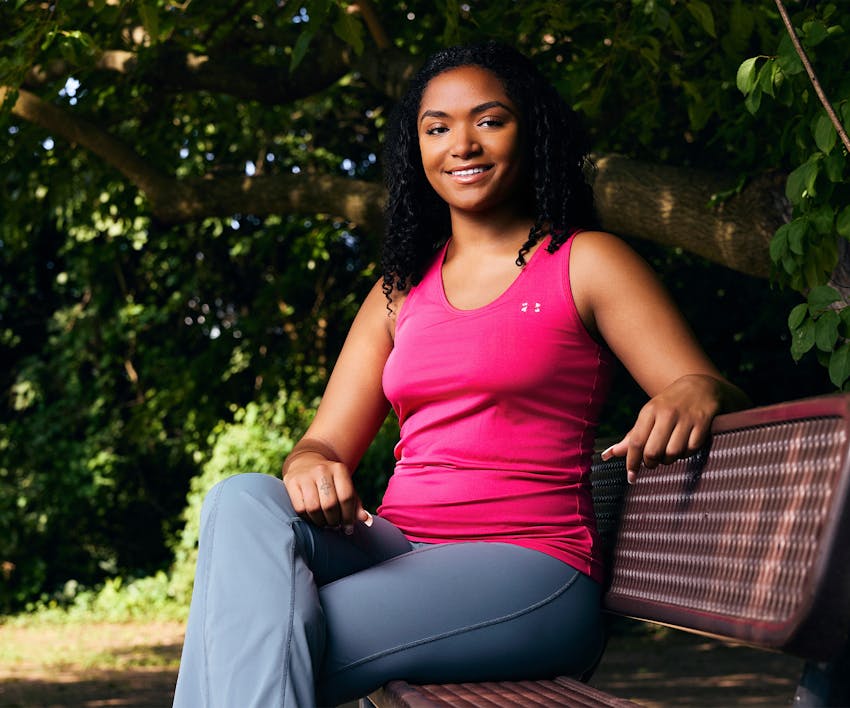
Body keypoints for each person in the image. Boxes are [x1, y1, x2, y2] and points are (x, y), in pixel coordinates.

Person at [172, 41, 748, 708]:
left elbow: (702, 386)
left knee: (262, 632)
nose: (462, 145)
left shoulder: (585, 261)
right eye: (437, 128)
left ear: (528, 131)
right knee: (242, 499)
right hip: (395, 546)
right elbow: (323, 443)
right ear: (416, 150)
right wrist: (309, 462)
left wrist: (692, 390)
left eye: (489, 120)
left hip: (530, 568)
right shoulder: (399, 291)